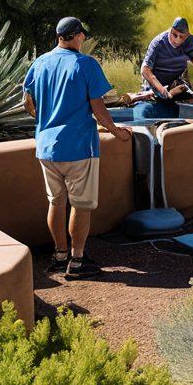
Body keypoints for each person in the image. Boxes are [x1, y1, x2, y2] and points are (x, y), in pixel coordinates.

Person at [23, 16, 132, 279]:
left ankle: (60, 256)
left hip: (47, 148)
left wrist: (45, 122)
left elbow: (28, 102)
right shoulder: (85, 64)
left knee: (56, 202)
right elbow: (99, 108)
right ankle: (78, 261)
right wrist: (117, 133)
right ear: (76, 36)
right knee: (81, 205)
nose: (84, 38)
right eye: (82, 34)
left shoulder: (40, 63)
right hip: (79, 148)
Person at [123, 17, 193, 107]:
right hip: (154, 81)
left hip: (174, 81)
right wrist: (162, 91)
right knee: (157, 100)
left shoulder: (190, 41)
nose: (177, 39)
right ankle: (144, 96)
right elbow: (145, 70)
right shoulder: (158, 42)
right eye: (175, 35)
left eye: (181, 37)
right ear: (171, 30)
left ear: (187, 35)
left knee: (189, 95)